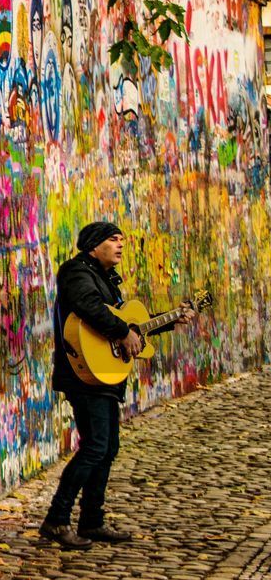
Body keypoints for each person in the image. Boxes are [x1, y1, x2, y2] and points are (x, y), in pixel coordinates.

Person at [40, 222, 196, 549]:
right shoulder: (76, 271)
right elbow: (90, 308)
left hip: (105, 376)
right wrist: (122, 332)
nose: (120, 245)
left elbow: (128, 324)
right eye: (113, 239)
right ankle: (56, 519)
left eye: (122, 240)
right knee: (96, 446)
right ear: (95, 244)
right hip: (82, 373)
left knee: (107, 448)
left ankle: (91, 521)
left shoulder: (108, 279)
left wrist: (169, 319)